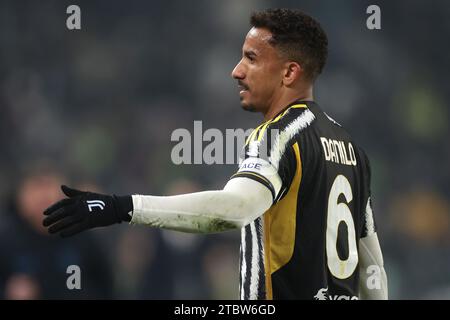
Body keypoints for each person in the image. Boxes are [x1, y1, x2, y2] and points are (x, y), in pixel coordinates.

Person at [42, 8, 388, 300]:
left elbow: (234, 209)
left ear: (289, 72)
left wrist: (121, 207)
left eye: (251, 58)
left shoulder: (277, 135)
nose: (236, 70)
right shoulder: (351, 150)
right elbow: (372, 267)